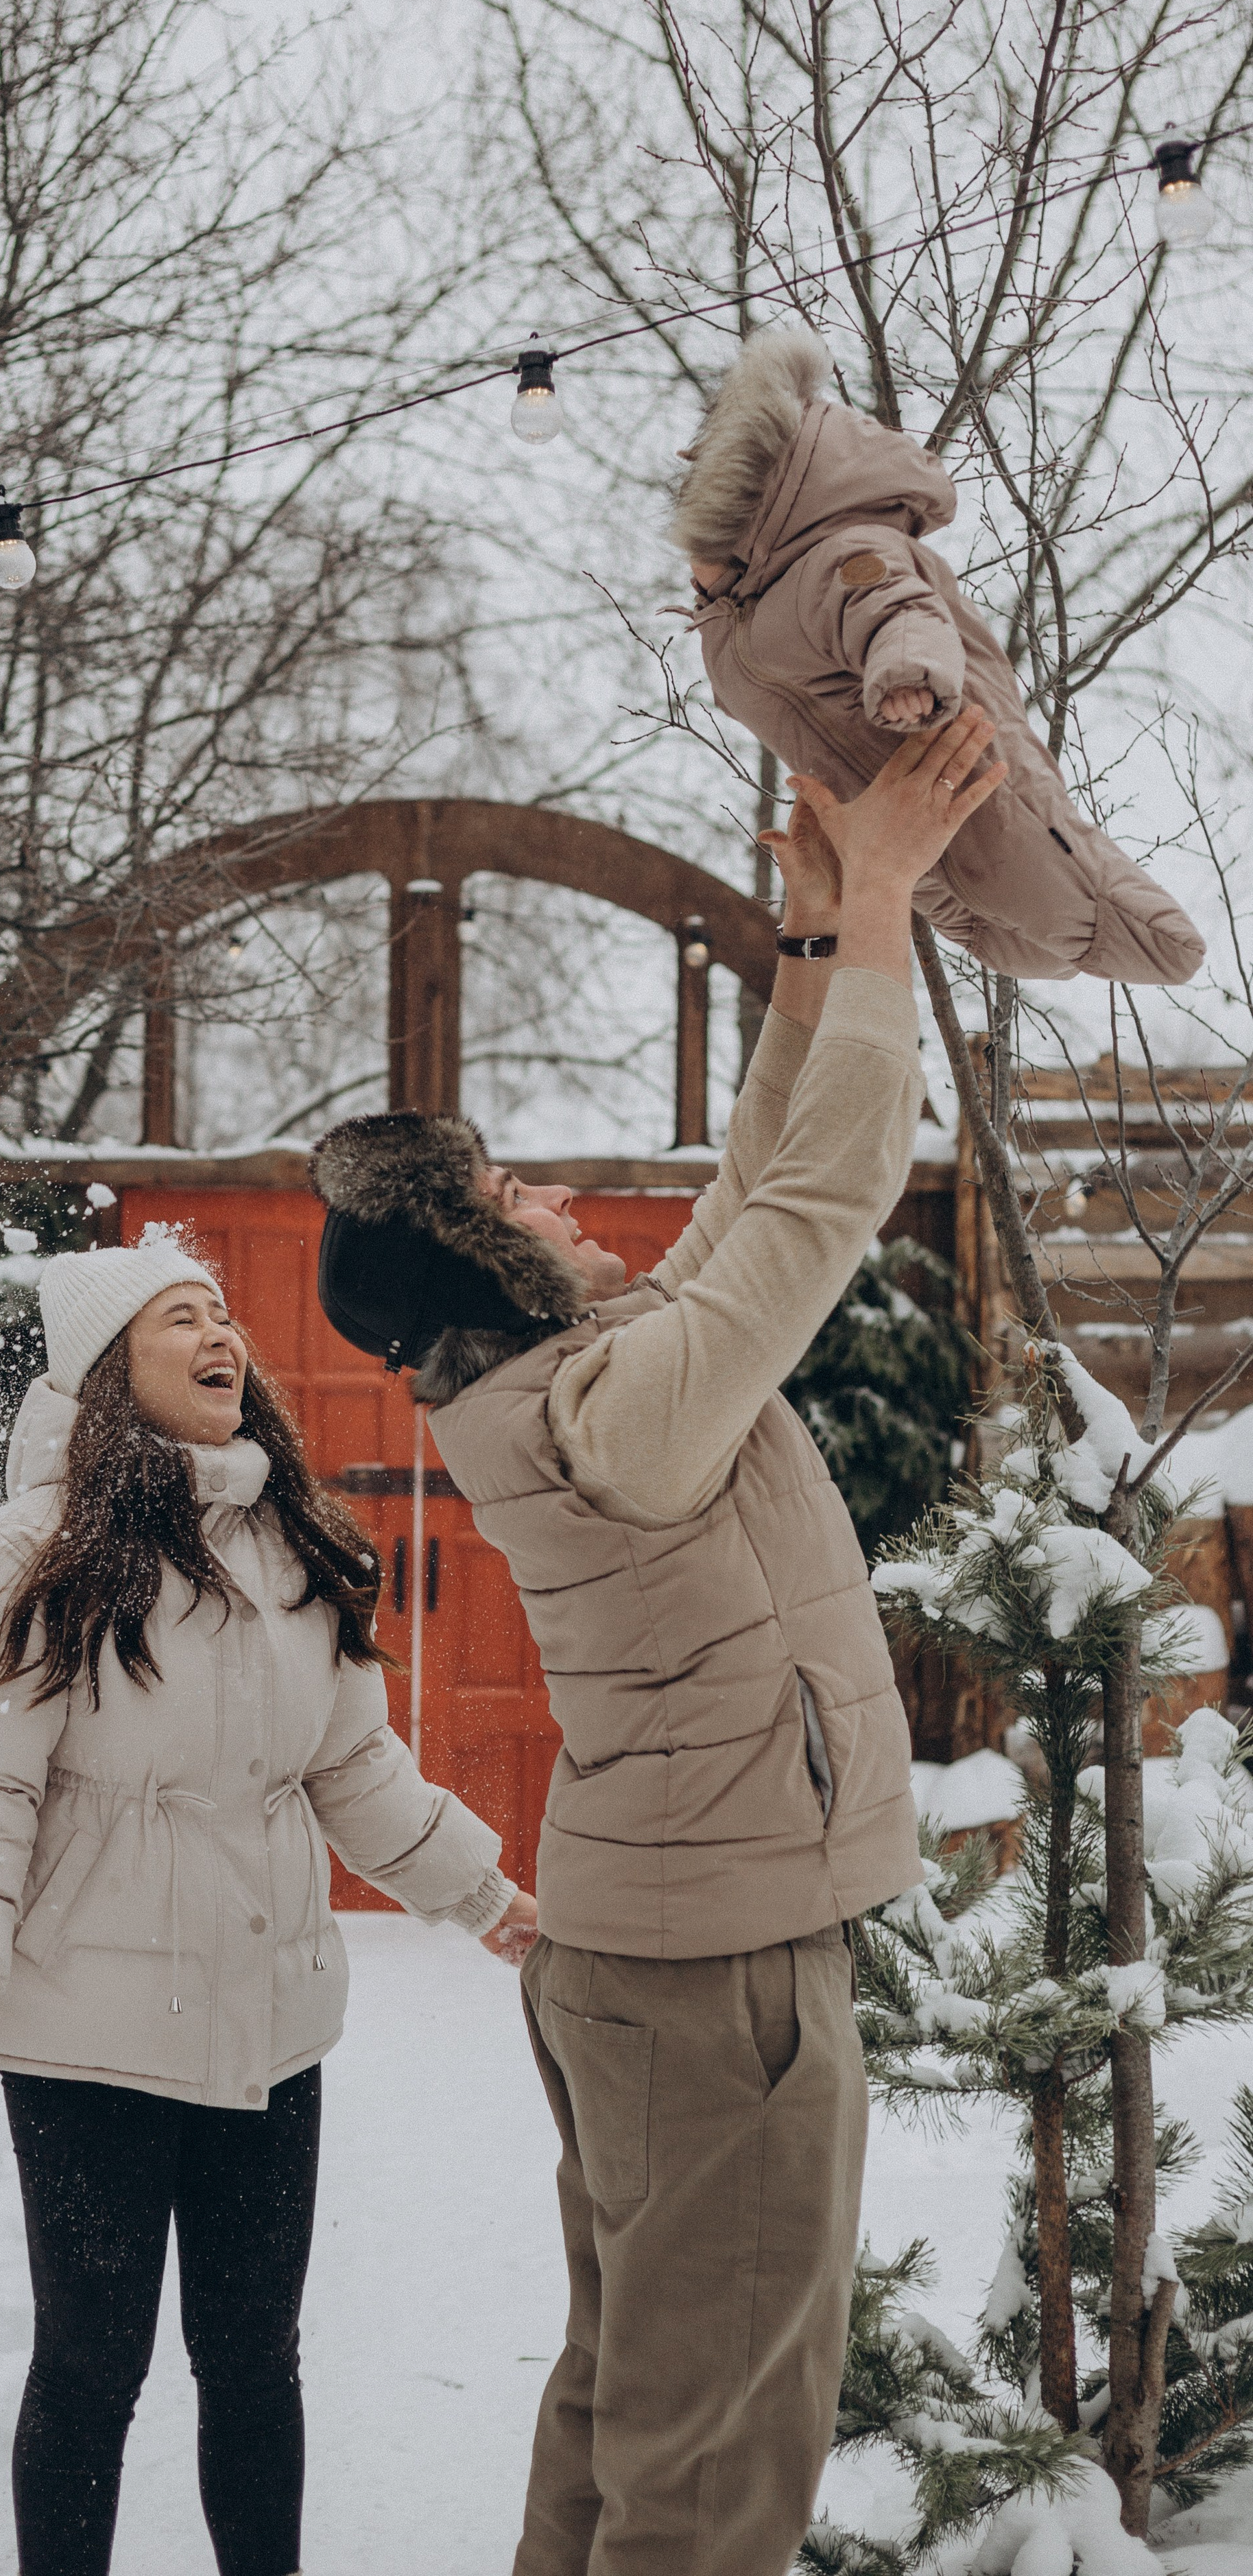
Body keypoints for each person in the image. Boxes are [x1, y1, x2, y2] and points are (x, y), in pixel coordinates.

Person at [307, 713, 1009, 2576]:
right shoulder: (615, 1410)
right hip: (718, 1983)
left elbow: (747, 1191)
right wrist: (879, 906)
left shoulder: (586, 1379)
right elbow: (821, 1201)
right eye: (511, 1191)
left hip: (664, 1956)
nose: (553, 1195)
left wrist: (803, 953)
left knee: (640, 2402)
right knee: (715, 2459)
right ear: (490, 1264)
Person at [0, 1240, 536, 2576]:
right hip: (87, 2040)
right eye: (181, 1316)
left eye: (225, 1312)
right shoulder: (31, 1558)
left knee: (252, 2365)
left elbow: (352, 1767)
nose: (220, 1331)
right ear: (109, 1366)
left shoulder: (299, 1545)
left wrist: (485, 1897)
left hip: (265, 2027)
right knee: (89, 2369)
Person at [668, 322, 1202, 987]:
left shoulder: (839, 560)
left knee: (1042, 867)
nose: (695, 579)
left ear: (753, 527)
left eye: (706, 554)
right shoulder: (736, 620)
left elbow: (899, 612)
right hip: (881, 812)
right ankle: (1056, 947)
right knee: (978, 921)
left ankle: (1151, 933)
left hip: (956, 752)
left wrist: (905, 673)